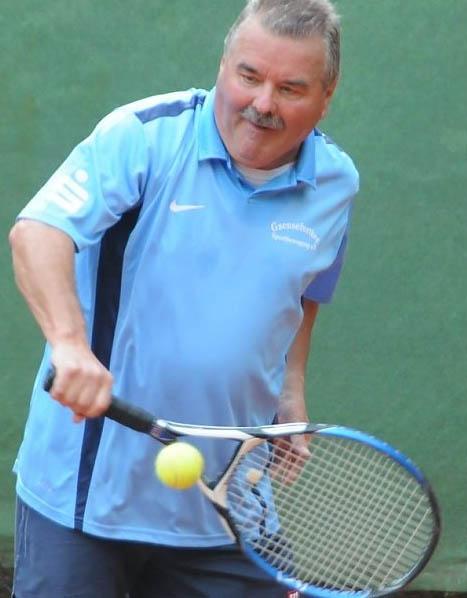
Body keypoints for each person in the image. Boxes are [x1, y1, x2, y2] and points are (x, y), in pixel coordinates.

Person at [9, 0, 359, 595]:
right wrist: (69, 345)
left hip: (229, 507)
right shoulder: (144, 136)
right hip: (85, 498)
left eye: (290, 88)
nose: (263, 103)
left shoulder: (334, 182)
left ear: (327, 96)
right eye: (248, 76)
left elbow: (305, 290)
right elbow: (38, 232)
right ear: (223, 65)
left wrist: (291, 387)